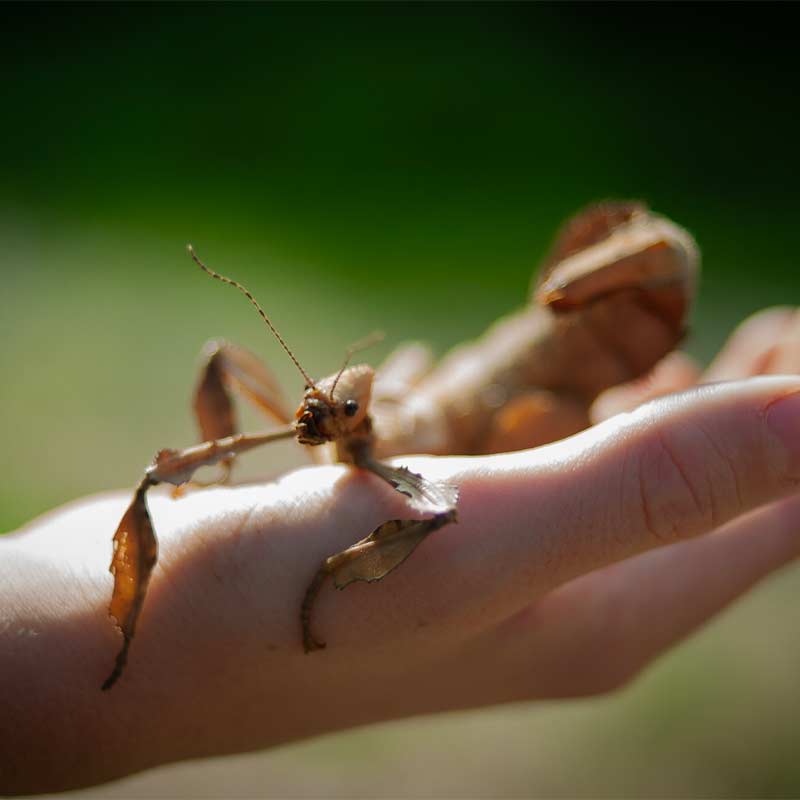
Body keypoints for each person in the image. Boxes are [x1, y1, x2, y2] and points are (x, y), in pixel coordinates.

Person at [3, 308, 800, 795]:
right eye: (314, 412)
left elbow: (429, 506)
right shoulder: (321, 413)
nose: (311, 425)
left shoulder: (388, 441)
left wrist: (324, 582)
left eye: (333, 412)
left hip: (469, 417)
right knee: (167, 461)